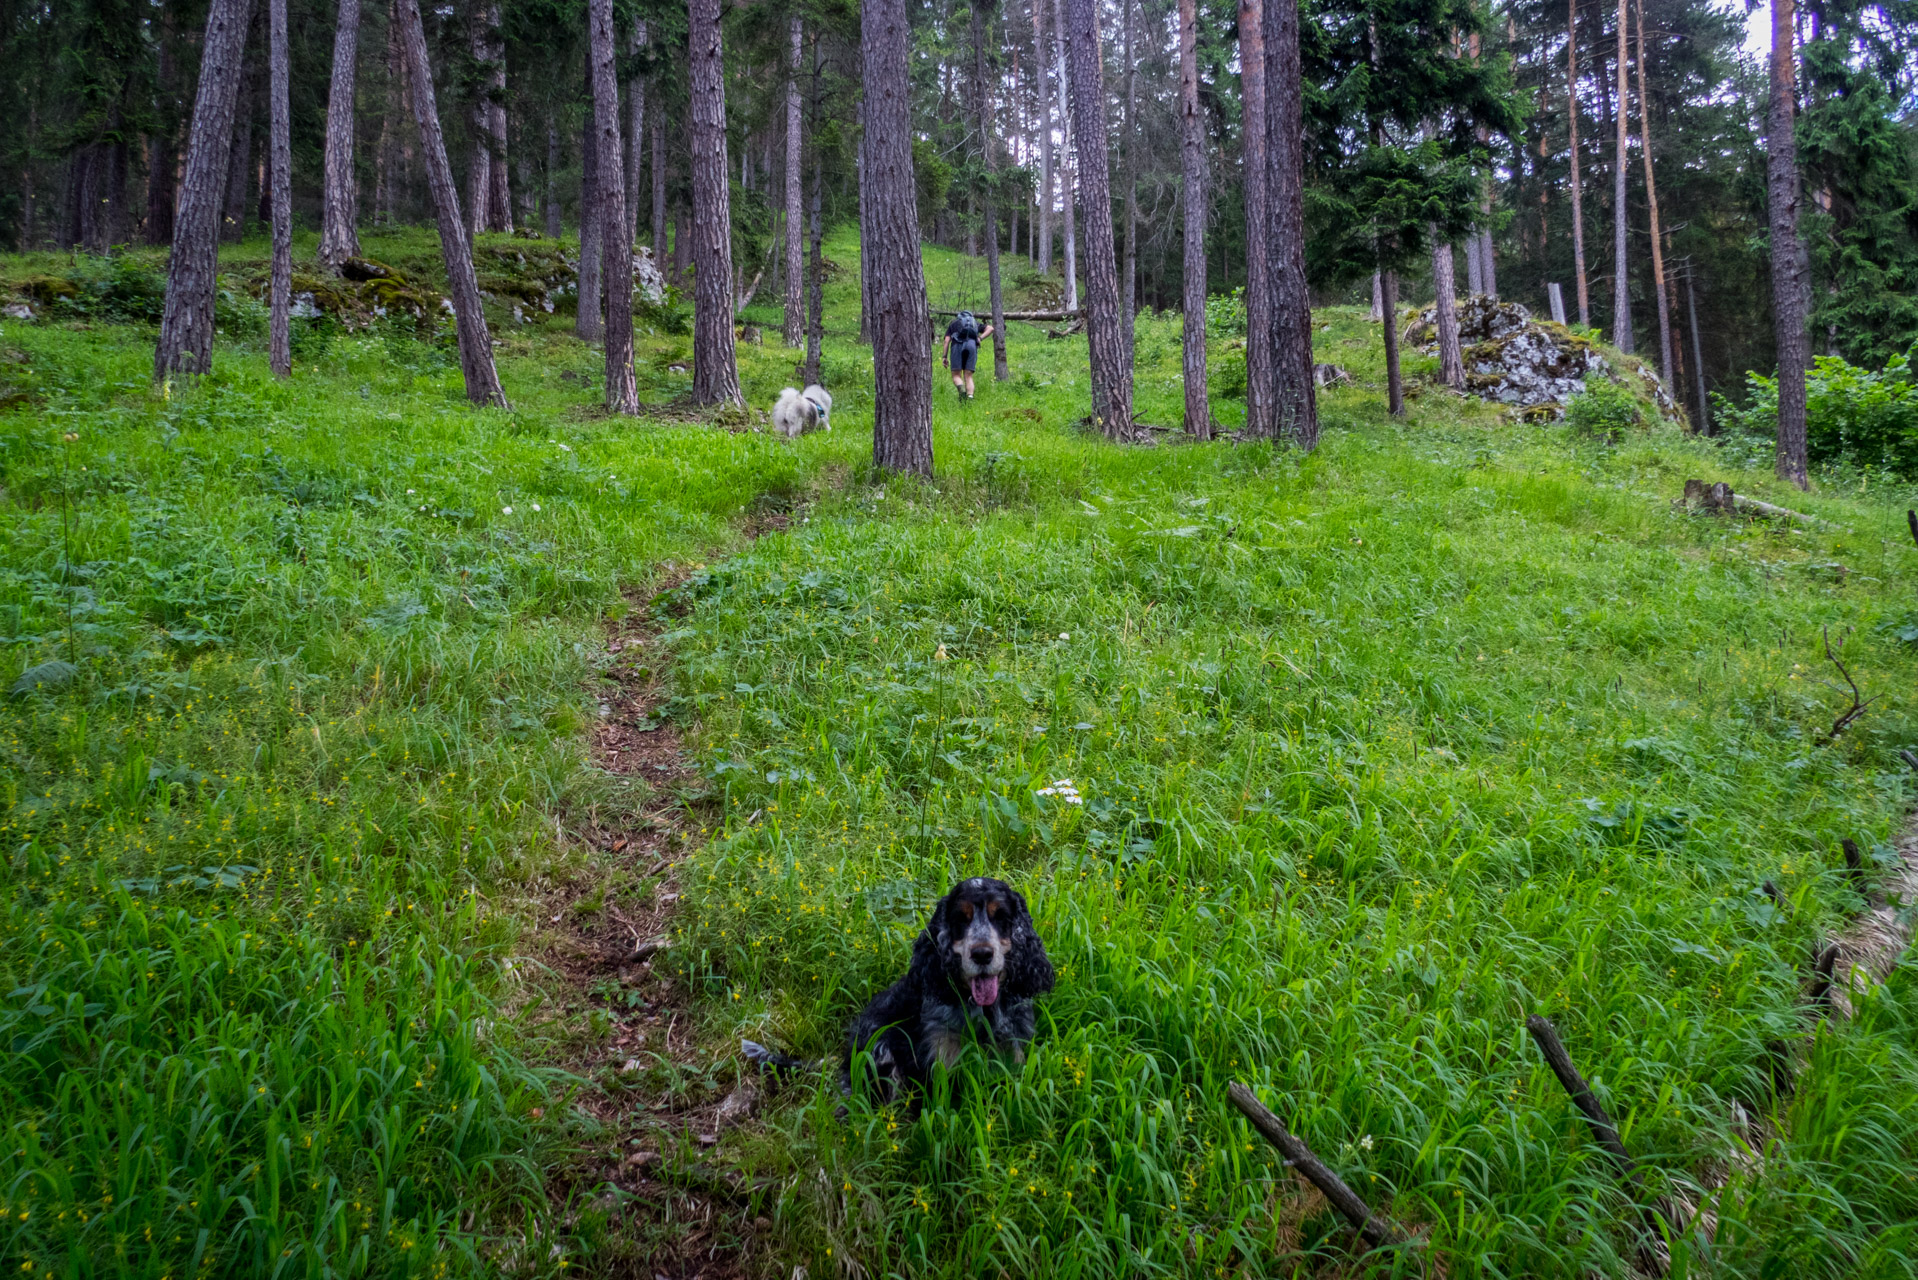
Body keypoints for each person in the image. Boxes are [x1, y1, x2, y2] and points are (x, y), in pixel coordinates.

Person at [939, 310, 994, 400]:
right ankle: (970, 398)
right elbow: (991, 328)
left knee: (956, 375)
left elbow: (946, 341)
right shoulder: (975, 323)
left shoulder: (954, 324)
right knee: (968, 376)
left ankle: (962, 391)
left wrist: (944, 357)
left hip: (957, 346)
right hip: (971, 345)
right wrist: (980, 338)